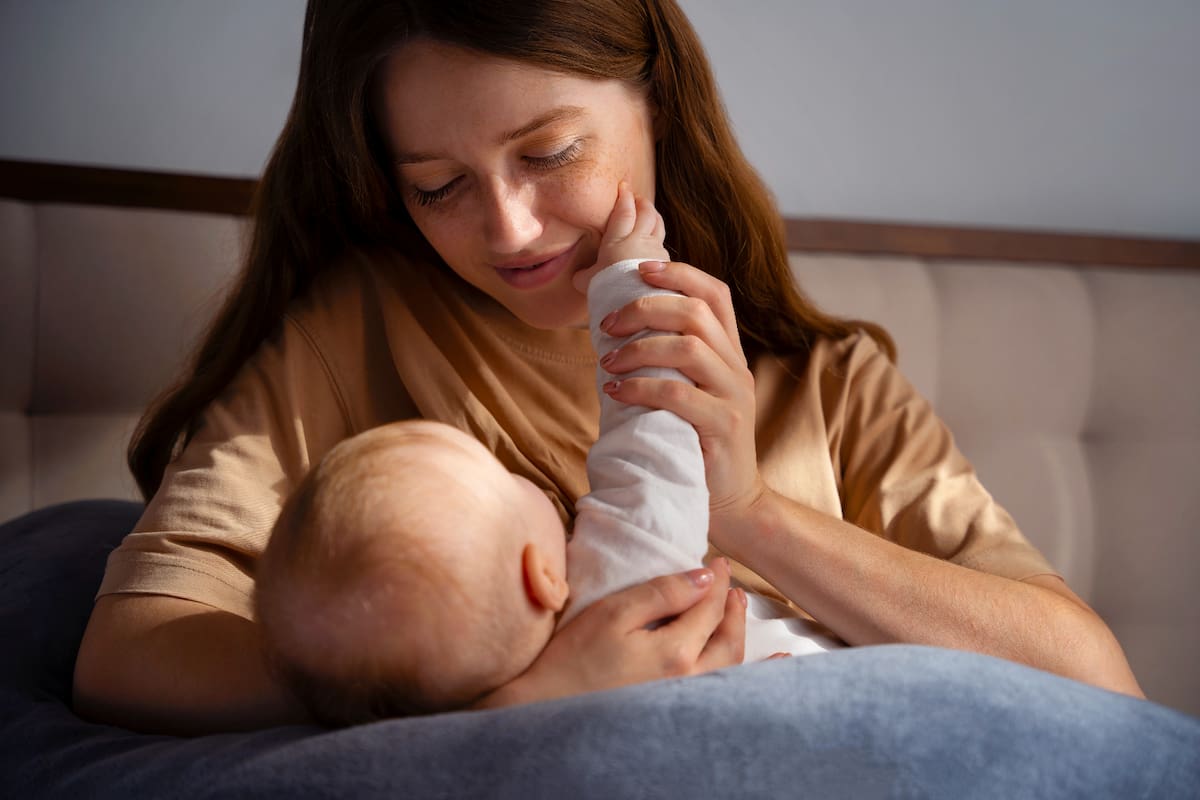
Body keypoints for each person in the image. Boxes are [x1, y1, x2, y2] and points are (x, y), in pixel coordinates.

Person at [74, 0, 1145, 738]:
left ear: (658, 111)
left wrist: (754, 509)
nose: (509, 228)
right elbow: (131, 651)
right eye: (438, 185)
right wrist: (518, 686)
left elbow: (1094, 685)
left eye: (548, 154)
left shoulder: (832, 382)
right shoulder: (354, 331)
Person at [256, 189, 838, 725]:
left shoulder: (476, 702)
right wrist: (629, 278)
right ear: (542, 577)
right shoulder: (617, 589)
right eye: (501, 480)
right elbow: (652, 435)